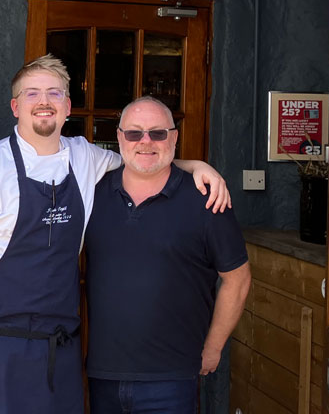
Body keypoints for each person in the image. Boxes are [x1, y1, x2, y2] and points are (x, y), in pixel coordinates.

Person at [0, 56, 232, 413]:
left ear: (67, 107)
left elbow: (142, 159)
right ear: (16, 106)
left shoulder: (84, 157)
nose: (44, 101)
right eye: (32, 94)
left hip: (62, 354)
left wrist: (197, 166)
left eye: (54, 93)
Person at [84, 95, 251, 414]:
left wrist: (213, 349)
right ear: (119, 138)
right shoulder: (93, 195)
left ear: (173, 137)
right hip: (103, 374)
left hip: (172, 379)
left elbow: (238, 280)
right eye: (134, 133)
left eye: (158, 133)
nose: (145, 142)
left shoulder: (207, 200)